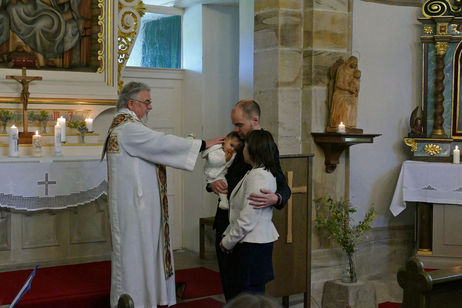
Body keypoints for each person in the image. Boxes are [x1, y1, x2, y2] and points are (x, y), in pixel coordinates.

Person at [102, 81, 222, 308]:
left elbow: (155, 146)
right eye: (146, 103)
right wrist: (202, 144)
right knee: (136, 256)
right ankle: (134, 302)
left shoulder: (122, 128)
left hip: (137, 207)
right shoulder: (128, 129)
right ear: (131, 103)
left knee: (142, 254)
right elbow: (160, 142)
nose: (149, 108)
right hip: (137, 208)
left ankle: (144, 299)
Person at [208, 99, 291, 301]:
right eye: (234, 124)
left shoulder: (263, 147)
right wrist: (212, 184)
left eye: (239, 125)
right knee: (229, 285)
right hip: (225, 219)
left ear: (254, 120)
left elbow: (282, 184)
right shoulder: (235, 140)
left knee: (246, 292)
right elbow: (217, 168)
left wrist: (276, 197)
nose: (236, 129)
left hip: (245, 231)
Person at [220, 129, 279, 296]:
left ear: (254, 149)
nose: (242, 150)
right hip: (253, 244)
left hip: (253, 246)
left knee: (250, 295)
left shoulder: (258, 176)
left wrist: (228, 241)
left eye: (245, 146)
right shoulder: (255, 172)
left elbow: (247, 218)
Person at [202, 131, 243, 210]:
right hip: (212, 172)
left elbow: (230, 164)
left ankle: (224, 201)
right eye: (231, 145)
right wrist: (224, 159)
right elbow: (212, 160)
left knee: (224, 185)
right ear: (225, 139)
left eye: (235, 149)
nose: (232, 149)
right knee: (221, 185)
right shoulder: (216, 149)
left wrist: (230, 158)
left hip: (221, 174)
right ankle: (224, 201)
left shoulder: (232, 154)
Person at [328, 56, 361, 129]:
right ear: (350, 61)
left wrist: (356, 91)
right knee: (346, 104)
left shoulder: (355, 72)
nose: (355, 65)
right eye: (354, 63)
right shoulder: (342, 70)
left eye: (356, 63)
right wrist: (348, 89)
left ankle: (350, 125)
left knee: (353, 103)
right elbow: (338, 84)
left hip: (349, 94)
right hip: (340, 93)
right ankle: (340, 125)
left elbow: (356, 83)